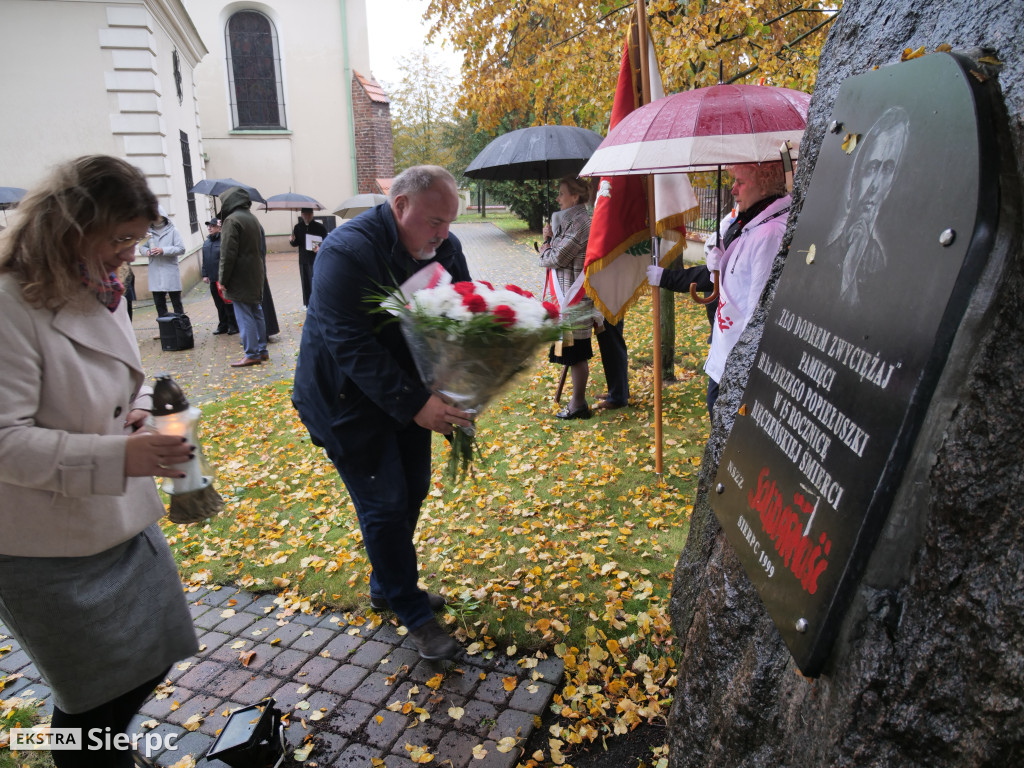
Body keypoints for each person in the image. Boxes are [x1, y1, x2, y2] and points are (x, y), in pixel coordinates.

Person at [0, 155, 199, 767]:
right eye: (119, 239)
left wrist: (139, 409)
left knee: (153, 654)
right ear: (69, 226)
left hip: (119, 521)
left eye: (136, 241)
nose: (129, 256)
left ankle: (104, 752)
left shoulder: (101, 288)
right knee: (89, 699)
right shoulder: (10, 304)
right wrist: (121, 456)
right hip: (43, 545)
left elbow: (122, 380)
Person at [292, 165, 473, 661]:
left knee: (412, 488)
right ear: (400, 207)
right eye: (435, 221)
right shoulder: (346, 252)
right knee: (386, 502)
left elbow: (460, 311)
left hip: (406, 393)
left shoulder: (445, 248)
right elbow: (348, 343)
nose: (444, 234)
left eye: (450, 222)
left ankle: (385, 584)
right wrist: (417, 405)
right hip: (344, 401)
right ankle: (412, 610)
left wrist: (463, 380)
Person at [651, 163, 790, 417]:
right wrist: (720, 262)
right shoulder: (751, 220)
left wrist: (744, 367)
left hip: (739, 359)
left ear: (763, 185)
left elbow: (760, 309)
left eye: (740, 182)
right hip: (726, 350)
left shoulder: (770, 233)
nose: (733, 189)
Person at [828, 106, 909, 306]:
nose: (875, 186)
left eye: (888, 169)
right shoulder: (829, 247)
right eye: (872, 168)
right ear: (855, 175)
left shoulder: (883, 260)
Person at [539, 176, 595, 420]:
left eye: (562, 193)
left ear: (575, 196)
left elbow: (557, 258)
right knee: (572, 352)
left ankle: (578, 404)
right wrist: (549, 238)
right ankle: (577, 402)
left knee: (577, 353)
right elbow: (557, 253)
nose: (558, 198)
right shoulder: (569, 221)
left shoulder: (581, 222)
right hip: (566, 298)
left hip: (575, 298)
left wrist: (545, 248)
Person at [218, 186, 268, 367]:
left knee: (244, 314)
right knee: (256, 312)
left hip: (240, 276)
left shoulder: (232, 221)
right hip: (255, 272)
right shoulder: (252, 218)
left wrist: (223, 279)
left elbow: (227, 253)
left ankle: (252, 353)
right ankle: (262, 350)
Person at [140, 206, 185, 317]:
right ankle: (165, 331)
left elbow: (181, 248)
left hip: (170, 271)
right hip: (155, 273)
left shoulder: (173, 231)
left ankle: (181, 330)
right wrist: (148, 252)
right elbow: (141, 248)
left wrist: (163, 250)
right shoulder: (147, 232)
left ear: (163, 216)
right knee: (160, 306)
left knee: (177, 305)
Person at [200, 217, 237, 335]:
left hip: (222, 279)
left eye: (212, 225)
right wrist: (204, 274)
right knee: (218, 304)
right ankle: (223, 325)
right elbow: (205, 260)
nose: (209, 228)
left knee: (228, 303)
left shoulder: (223, 241)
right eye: (208, 226)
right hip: (212, 278)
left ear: (219, 227)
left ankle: (233, 325)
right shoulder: (207, 242)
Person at [290, 207, 328, 308]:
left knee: (315, 281)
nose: (307, 216)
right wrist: (292, 240)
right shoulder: (298, 227)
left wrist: (320, 248)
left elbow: (326, 241)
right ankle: (307, 304)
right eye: (305, 214)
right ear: (302, 215)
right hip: (303, 259)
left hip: (315, 258)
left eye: (309, 214)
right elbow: (296, 243)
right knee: (305, 282)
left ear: (312, 214)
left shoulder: (320, 227)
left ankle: (318, 302)